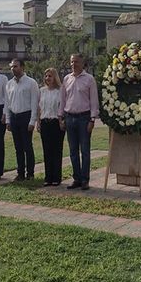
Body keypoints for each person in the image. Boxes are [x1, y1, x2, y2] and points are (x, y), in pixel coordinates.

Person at [59, 53, 99, 190]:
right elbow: (63, 99)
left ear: (83, 63)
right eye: (71, 62)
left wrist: (92, 119)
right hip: (69, 117)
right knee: (73, 151)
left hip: (84, 118)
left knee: (85, 151)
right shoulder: (66, 79)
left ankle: (85, 180)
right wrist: (61, 117)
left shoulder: (89, 79)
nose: (73, 64)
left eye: (76, 62)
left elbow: (94, 101)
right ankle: (76, 178)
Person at [4, 58, 39, 181]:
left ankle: (30, 173)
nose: (13, 69)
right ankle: (20, 173)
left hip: (26, 116)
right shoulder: (9, 84)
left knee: (27, 146)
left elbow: (34, 103)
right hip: (14, 117)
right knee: (18, 147)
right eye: (12, 67)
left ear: (22, 67)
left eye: (16, 66)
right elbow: (7, 103)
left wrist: (32, 121)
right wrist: (8, 120)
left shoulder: (31, 83)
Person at [38, 68, 66, 186]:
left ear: (55, 77)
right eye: (46, 76)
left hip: (56, 122)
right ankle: (48, 177)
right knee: (47, 150)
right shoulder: (42, 91)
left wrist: (61, 121)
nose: (47, 78)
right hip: (45, 122)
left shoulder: (60, 91)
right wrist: (38, 122)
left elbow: (62, 107)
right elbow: (39, 108)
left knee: (56, 151)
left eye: (50, 76)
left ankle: (56, 177)